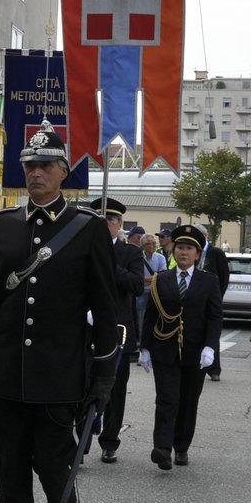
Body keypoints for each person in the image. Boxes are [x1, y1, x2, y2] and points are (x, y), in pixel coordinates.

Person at [0, 122, 120, 503]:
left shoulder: (88, 228)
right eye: (30, 166)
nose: (36, 174)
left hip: (58, 374)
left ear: (62, 172)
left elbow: (106, 309)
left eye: (46, 166)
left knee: (55, 467)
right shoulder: (5, 225)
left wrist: (102, 376)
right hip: (9, 374)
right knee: (10, 477)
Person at [141, 223, 223, 469]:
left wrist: (210, 348)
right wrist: (145, 347)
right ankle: (162, 448)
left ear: (197, 254)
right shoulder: (161, 279)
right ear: (173, 251)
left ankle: (181, 446)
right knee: (166, 399)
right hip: (165, 349)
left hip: (195, 352)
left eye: (189, 249)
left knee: (188, 402)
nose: (183, 253)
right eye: (180, 248)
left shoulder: (209, 281)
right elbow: (151, 314)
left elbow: (215, 317)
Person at [88, 197, 147, 464]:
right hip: (86, 325)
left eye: (109, 222)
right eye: (99, 221)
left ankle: (110, 441)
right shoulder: (85, 248)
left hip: (117, 329)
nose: (104, 226)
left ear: (118, 225)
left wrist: (109, 263)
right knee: (83, 381)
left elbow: (136, 285)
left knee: (115, 387)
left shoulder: (130, 253)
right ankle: (82, 438)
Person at [199, 229, 231, 382]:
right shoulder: (193, 250)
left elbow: (224, 276)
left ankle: (214, 369)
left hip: (211, 298)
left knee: (212, 331)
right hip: (194, 298)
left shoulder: (216, 252)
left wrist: (218, 298)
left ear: (205, 236)